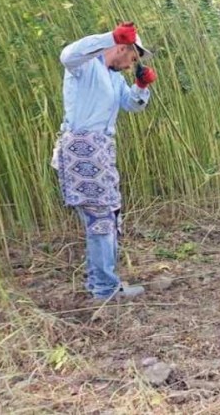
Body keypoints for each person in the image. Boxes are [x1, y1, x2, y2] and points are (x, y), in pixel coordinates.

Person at [51, 22, 157, 301]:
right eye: (133, 59)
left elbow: (132, 106)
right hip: (82, 151)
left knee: (108, 217)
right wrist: (110, 36)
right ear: (121, 48)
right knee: (100, 221)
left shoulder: (115, 79)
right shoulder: (85, 65)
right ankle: (104, 290)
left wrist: (141, 86)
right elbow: (67, 55)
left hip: (102, 152)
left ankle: (101, 283)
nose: (131, 65)